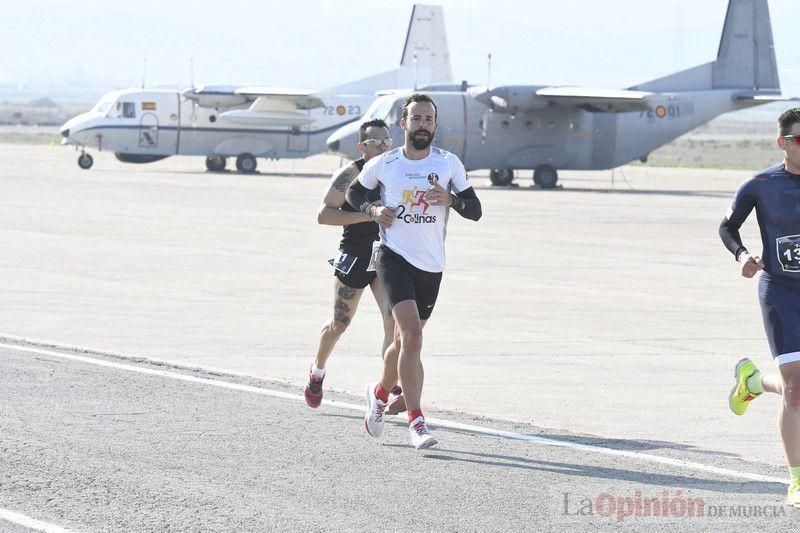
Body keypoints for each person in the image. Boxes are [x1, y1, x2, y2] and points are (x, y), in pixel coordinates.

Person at [346, 93, 482, 449]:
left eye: (428, 119)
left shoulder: (449, 163)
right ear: (403, 123)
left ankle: (378, 395)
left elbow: (476, 209)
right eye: (416, 118)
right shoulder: (386, 163)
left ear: (435, 126)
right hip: (392, 257)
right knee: (412, 337)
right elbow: (353, 194)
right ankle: (417, 421)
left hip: (432, 266)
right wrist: (374, 210)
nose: (422, 124)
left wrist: (451, 199)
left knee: (404, 342)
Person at [721, 107, 800, 506]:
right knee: (797, 389)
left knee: (793, 387)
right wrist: (742, 256)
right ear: (783, 143)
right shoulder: (761, 184)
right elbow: (727, 226)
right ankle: (797, 481)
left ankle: (751, 382)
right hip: (781, 292)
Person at [305, 119, 404, 414]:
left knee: (393, 321)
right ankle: (317, 372)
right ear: (362, 147)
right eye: (376, 142)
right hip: (356, 253)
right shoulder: (350, 175)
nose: (384, 146)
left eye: (387, 140)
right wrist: (369, 215)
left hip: (388, 254)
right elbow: (324, 215)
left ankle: (391, 386)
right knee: (340, 323)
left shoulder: (396, 170)